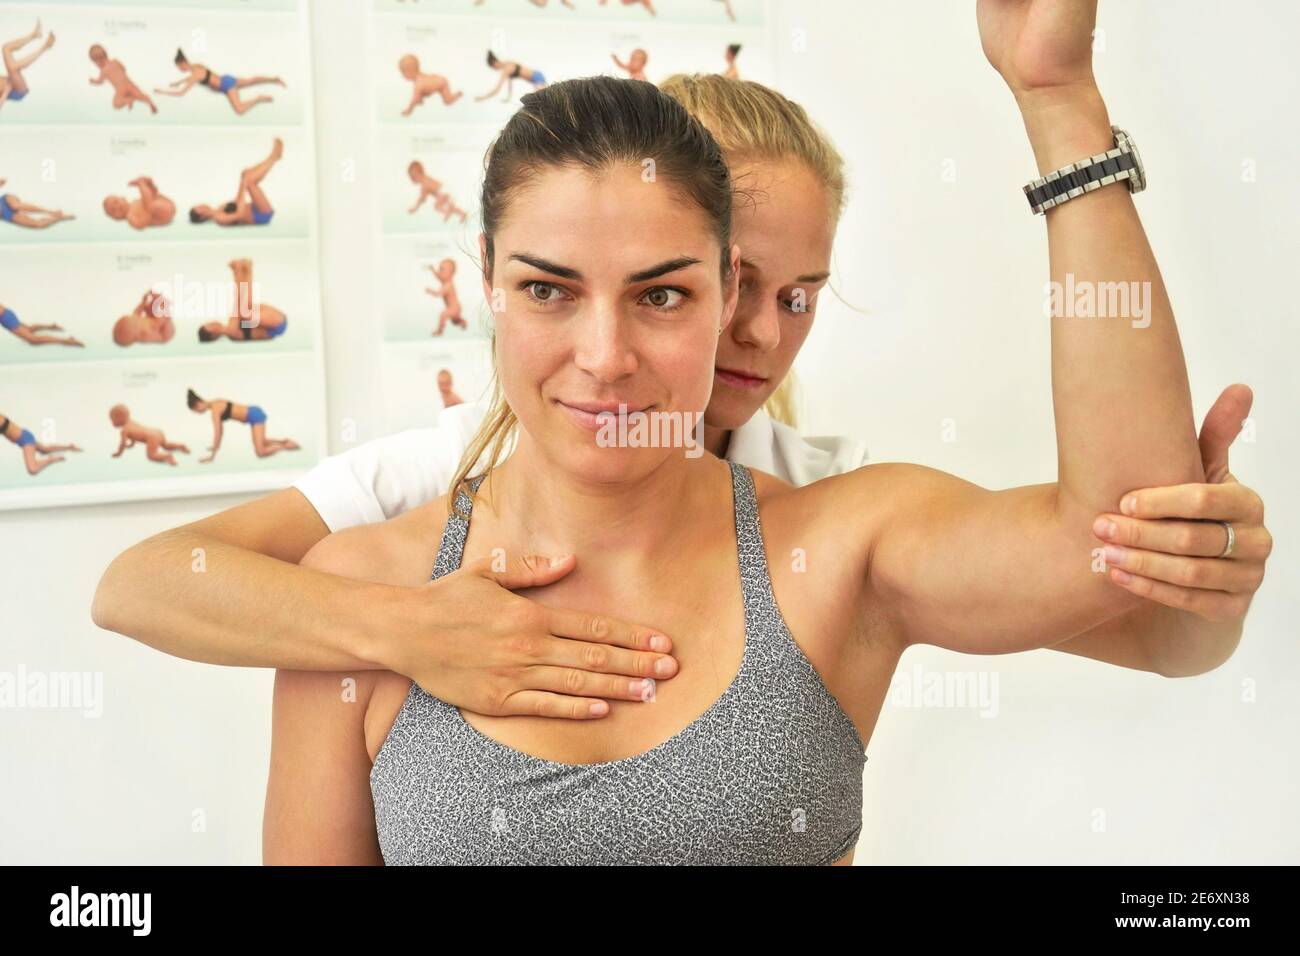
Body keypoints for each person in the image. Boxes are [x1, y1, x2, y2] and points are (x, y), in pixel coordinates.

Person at [93, 64, 1271, 762]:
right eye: (722, 285)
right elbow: (142, 580)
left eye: (794, 295)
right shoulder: (437, 480)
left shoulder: (824, 507)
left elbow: (1148, 620)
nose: (755, 332)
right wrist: (396, 628)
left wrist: (1194, 572)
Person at [155, 48, 283, 115]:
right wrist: (177, 83)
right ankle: (273, 79)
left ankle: (259, 98)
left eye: (179, 67)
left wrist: (163, 92)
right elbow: (194, 77)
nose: (180, 70)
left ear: (182, 63)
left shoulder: (194, 75)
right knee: (251, 81)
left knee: (239, 109)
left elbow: (181, 93)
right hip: (226, 78)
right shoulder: (196, 66)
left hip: (226, 86)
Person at [186, 389, 299, 463]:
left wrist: (212, 455)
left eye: (196, 410)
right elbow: (220, 431)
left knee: (260, 452)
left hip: (254, 416)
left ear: (198, 404)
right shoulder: (215, 402)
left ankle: (286, 446)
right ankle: (284, 441)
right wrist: (215, 447)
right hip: (253, 412)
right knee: (262, 441)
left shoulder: (215, 410)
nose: (198, 413)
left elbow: (218, 432)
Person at [189, 138, 282, 227]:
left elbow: (237, 201)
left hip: (255, 207)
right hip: (261, 215)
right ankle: (274, 157)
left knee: (245, 174)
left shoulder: (219, 208)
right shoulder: (219, 218)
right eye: (199, 208)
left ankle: (273, 157)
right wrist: (245, 184)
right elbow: (239, 215)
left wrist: (242, 183)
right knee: (249, 181)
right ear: (202, 217)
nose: (200, 205)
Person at [198, 259, 288, 342]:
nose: (213, 322)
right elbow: (238, 305)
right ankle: (244, 269)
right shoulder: (231, 332)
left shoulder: (232, 328)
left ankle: (246, 269)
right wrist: (236, 273)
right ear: (214, 336)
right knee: (244, 310)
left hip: (272, 324)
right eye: (211, 326)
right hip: (275, 326)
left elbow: (250, 323)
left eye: (209, 323)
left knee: (245, 308)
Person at [1, 412, 80, 475]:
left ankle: (50, 460)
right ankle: (69, 447)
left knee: (32, 469)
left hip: (25, 440)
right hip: (25, 436)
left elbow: (3, 425)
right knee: (45, 450)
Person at [109, 405, 189, 465]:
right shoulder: (132, 422)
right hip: (157, 431)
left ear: (119, 418)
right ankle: (180, 446)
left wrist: (119, 453)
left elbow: (122, 444)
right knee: (165, 445)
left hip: (151, 437)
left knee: (151, 455)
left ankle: (167, 456)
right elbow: (134, 435)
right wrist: (131, 445)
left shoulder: (124, 430)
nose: (112, 422)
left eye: (112, 419)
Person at [0, 19, 54, 109]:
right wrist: (6, 91)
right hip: (16, 90)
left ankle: (35, 35)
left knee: (6, 48)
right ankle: (45, 47)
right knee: (13, 67)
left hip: (9, 80)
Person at [88, 44, 158, 113]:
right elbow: (124, 68)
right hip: (129, 83)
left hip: (120, 89)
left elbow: (100, 82)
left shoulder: (103, 71)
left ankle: (128, 100)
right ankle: (150, 103)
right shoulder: (115, 61)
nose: (97, 65)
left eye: (95, 63)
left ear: (98, 61)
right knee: (141, 95)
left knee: (115, 104)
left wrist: (93, 81)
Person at [103, 177, 175, 230]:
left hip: (166, 203)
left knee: (152, 197)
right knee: (150, 205)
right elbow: (139, 225)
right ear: (116, 218)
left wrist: (151, 191)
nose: (117, 207)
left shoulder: (135, 201)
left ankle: (148, 184)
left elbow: (149, 197)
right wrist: (146, 215)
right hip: (162, 215)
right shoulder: (130, 216)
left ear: (123, 198)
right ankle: (141, 183)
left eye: (116, 202)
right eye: (113, 210)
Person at [0, 178, 74, 230]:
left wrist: (1, 182)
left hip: (5, 200)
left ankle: (52, 212)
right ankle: (59, 218)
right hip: (6, 215)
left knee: (15, 206)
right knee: (37, 224)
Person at [0, 301, 83, 347]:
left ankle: (67, 341)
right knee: (28, 329)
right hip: (6, 313)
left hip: (5, 318)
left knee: (33, 340)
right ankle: (51, 326)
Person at [476, 51, 546, 102]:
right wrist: (509, 97)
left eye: (493, 67)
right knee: (536, 100)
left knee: (535, 100)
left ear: (494, 62)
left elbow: (497, 89)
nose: (495, 69)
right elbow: (510, 84)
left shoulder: (506, 69)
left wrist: (483, 97)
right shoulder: (508, 63)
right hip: (536, 77)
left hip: (537, 78)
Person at [427, 259, 466, 335]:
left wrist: (430, 291)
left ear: (451, 273)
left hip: (454, 308)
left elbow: (437, 294)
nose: (439, 271)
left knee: (443, 315)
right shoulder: (446, 281)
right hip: (456, 307)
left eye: (442, 269)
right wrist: (433, 270)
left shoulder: (448, 286)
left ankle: (439, 331)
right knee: (455, 321)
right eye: (439, 269)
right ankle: (463, 322)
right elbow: (439, 277)